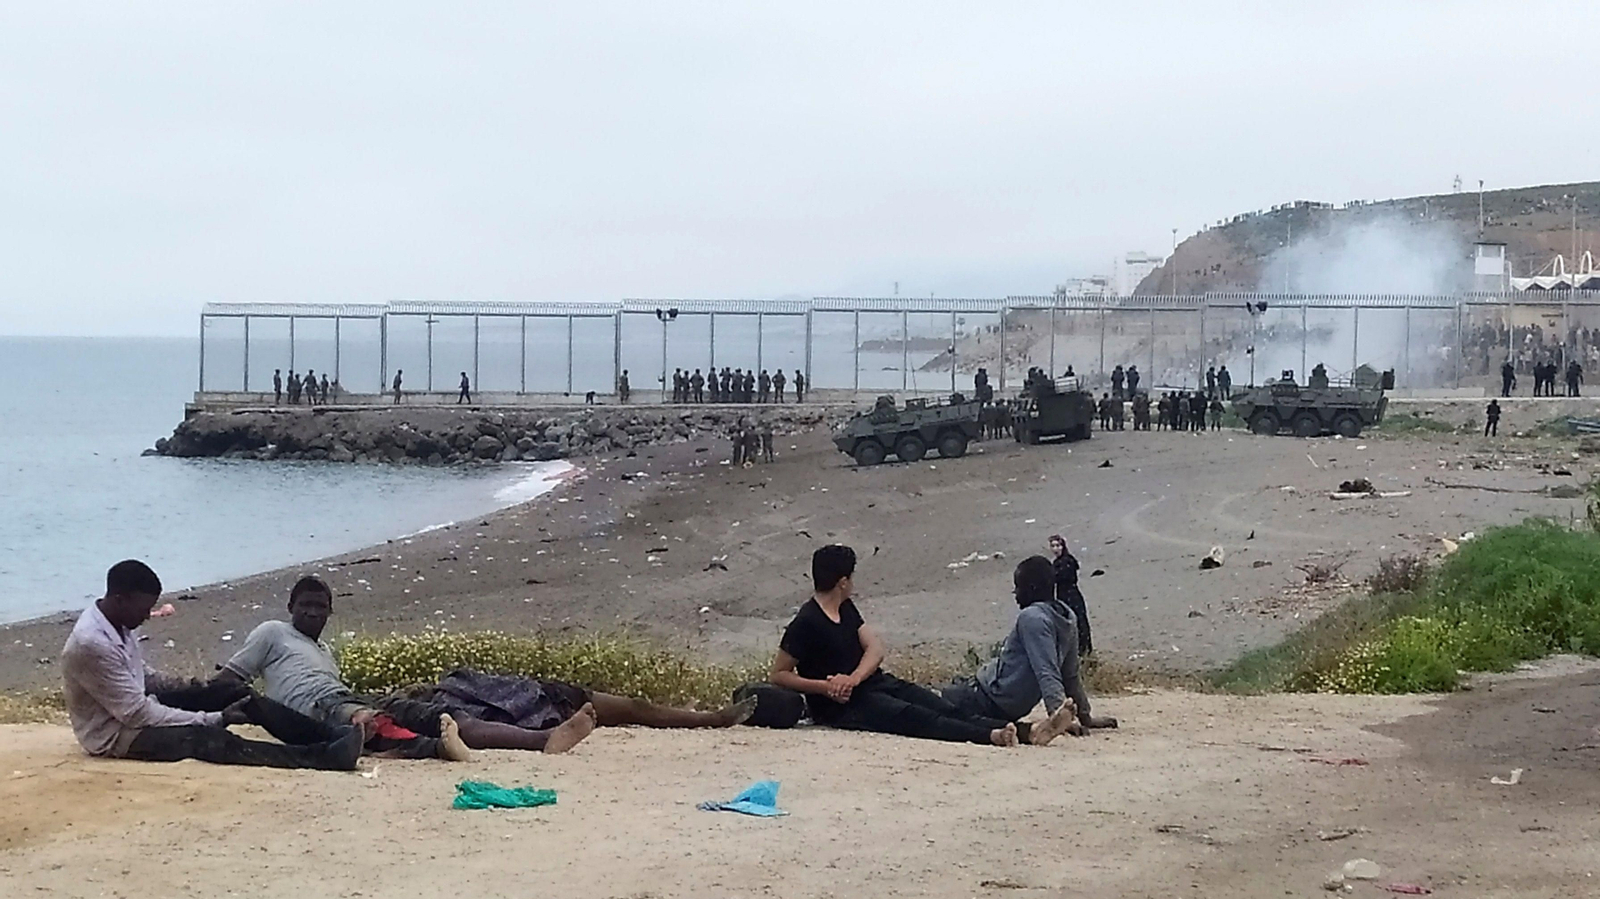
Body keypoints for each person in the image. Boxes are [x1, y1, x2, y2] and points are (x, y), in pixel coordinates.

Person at [213, 577, 590, 756]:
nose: (311, 612)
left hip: (342, 696)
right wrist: (214, 713)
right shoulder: (272, 632)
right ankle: (438, 750)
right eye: (304, 605)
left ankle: (543, 739)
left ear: (330, 611)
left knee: (445, 715)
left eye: (320, 606)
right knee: (368, 721)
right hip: (318, 707)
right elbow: (229, 680)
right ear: (290, 607)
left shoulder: (324, 650)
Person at [61, 560, 364, 769]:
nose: (148, 615)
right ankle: (321, 756)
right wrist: (215, 718)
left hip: (136, 708)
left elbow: (143, 678)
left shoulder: (119, 621)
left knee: (236, 692)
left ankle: (329, 736)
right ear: (119, 599)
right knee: (210, 740)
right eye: (144, 608)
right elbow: (136, 714)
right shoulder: (92, 643)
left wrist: (197, 688)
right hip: (117, 734)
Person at [770, 545, 1078, 747]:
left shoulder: (846, 609)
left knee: (938, 704)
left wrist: (855, 678)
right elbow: (780, 674)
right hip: (840, 706)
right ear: (842, 581)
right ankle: (991, 735)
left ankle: (1027, 732)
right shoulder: (806, 621)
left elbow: (874, 647)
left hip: (871, 683)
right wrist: (826, 687)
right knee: (914, 717)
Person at [940, 556, 1117, 734]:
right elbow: (1070, 675)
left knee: (932, 708)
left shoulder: (1032, 618)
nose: (1016, 595)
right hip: (991, 698)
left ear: (1031, 589)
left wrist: (1059, 717)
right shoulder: (1067, 617)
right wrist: (1085, 716)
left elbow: (1047, 671)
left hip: (983, 697)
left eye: (1018, 588)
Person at [1047, 535, 1092, 656]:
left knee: (1079, 624)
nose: (1055, 549)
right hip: (1062, 597)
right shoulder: (1056, 563)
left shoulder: (1067, 562)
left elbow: (1064, 577)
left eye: (1058, 545)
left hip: (1072, 596)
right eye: (1053, 546)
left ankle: (1084, 651)